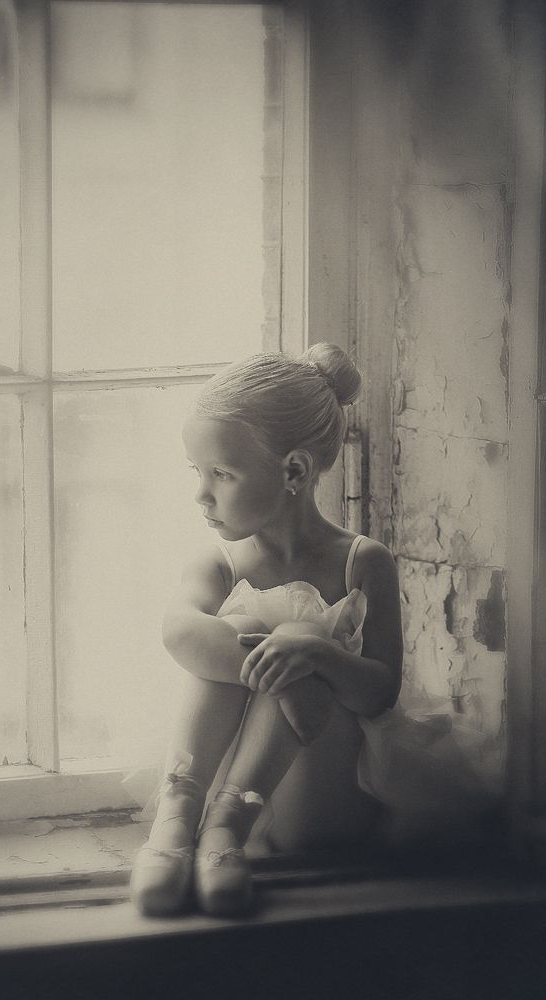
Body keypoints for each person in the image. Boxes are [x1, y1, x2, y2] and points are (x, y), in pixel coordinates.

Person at [130, 343, 403, 917]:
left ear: (294, 471)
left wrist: (317, 657)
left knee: (304, 638)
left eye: (222, 474)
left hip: (320, 792)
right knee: (238, 627)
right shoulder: (219, 566)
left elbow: (381, 692)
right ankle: (178, 814)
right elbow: (178, 631)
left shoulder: (363, 561)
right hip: (213, 768)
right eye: (198, 472)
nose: (202, 494)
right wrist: (287, 676)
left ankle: (227, 824)